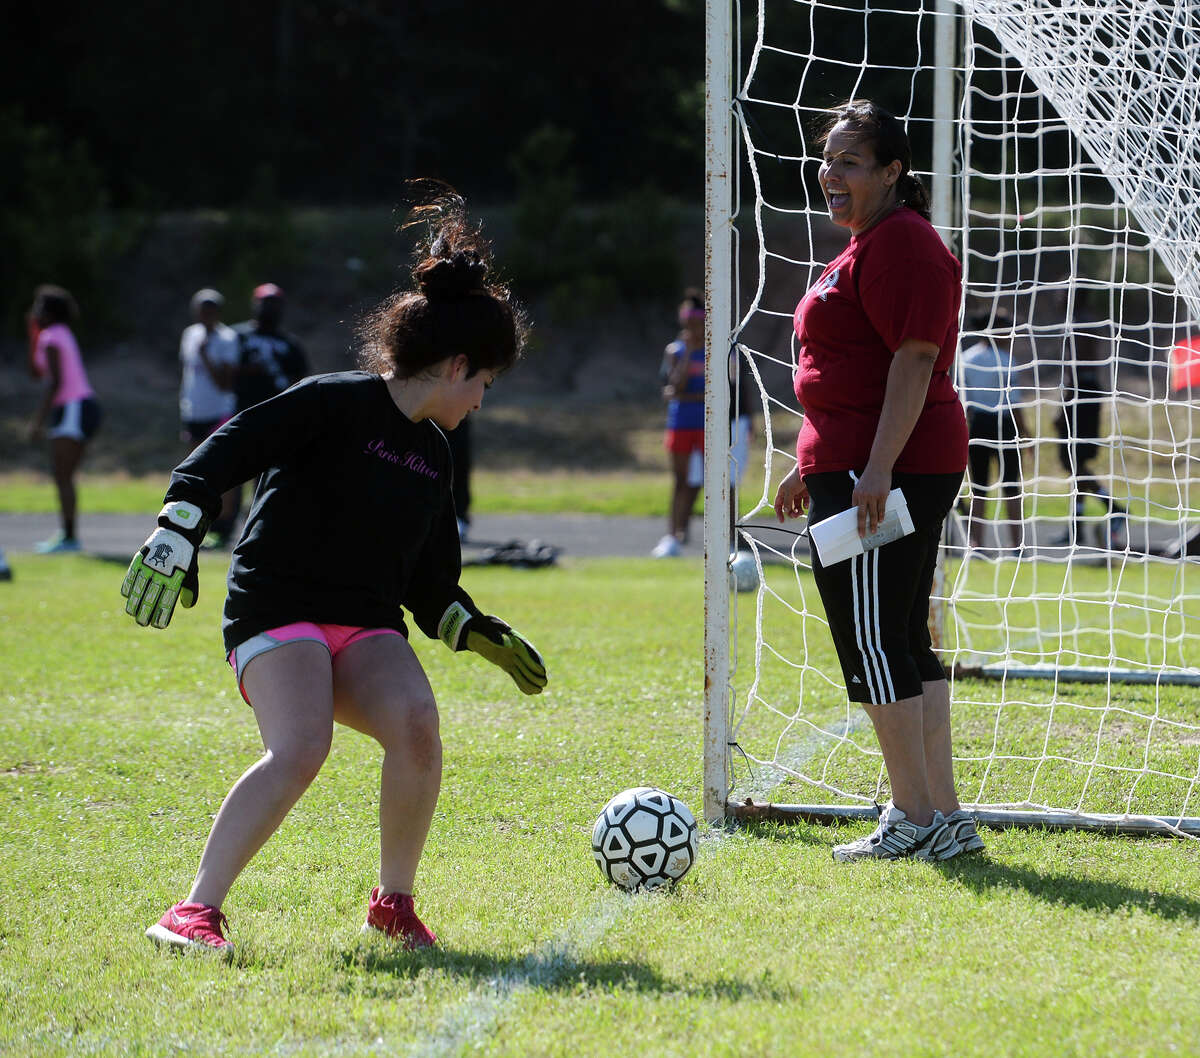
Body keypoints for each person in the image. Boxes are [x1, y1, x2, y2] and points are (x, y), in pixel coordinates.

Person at [121, 183, 548, 955]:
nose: (483, 399)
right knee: (302, 745)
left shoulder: (433, 457)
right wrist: (181, 523)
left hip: (363, 621)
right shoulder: (331, 402)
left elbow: (429, 585)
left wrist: (468, 626)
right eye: (484, 382)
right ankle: (193, 911)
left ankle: (393, 903)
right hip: (276, 606)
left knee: (417, 724)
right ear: (457, 365)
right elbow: (226, 451)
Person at [773, 99, 980, 861]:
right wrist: (810, 460)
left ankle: (915, 819)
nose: (831, 174)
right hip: (863, 465)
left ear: (893, 172)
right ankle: (945, 819)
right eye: (828, 159)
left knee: (872, 638)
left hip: (887, 469)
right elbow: (852, 369)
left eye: (850, 162)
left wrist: (875, 468)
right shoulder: (868, 245)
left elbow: (916, 358)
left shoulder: (901, 243)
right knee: (899, 636)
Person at [27, 285, 103, 553]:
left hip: (72, 407)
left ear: (48, 311)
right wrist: (32, 332)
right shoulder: (57, 334)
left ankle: (69, 539)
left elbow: (55, 382)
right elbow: (36, 372)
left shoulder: (52, 337)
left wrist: (37, 422)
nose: (34, 311)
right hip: (78, 406)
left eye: (38, 306)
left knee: (62, 475)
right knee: (63, 475)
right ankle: (68, 536)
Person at [1051, 295, 1128, 550]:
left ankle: (1112, 508)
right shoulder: (1086, 322)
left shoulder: (1078, 324)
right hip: (1089, 391)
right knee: (1077, 462)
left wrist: (1064, 405)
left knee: (1071, 459)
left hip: (1082, 393)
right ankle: (1079, 527)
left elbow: (1075, 367)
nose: (1056, 297)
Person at [959, 309, 1029, 552]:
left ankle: (975, 543)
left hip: (978, 426)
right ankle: (1016, 543)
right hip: (1004, 425)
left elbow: (964, 402)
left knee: (979, 487)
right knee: (1011, 485)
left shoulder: (966, 358)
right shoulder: (1007, 360)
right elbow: (1015, 402)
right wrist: (1025, 433)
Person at [179, 288, 241, 547]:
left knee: (223, 469)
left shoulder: (227, 339)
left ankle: (225, 526)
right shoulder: (190, 334)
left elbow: (225, 383)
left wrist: (206, 355)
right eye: (202, 309)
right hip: (194, 411)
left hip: (219, 412)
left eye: (211, 309)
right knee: (196, 469)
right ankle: (199, 523)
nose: (206, 315)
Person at [652, 290, 706, 558]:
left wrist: (687, 396)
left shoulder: (713, 350)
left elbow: (717, 392)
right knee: (680, 480)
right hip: (681, 422)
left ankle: (694, 529)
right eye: (686, 316)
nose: (691, 322)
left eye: (696, 316)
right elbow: (673, 387)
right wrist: (689, 353)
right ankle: (672, 534)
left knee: (707, 480)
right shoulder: (675, 350)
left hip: (707, 425)